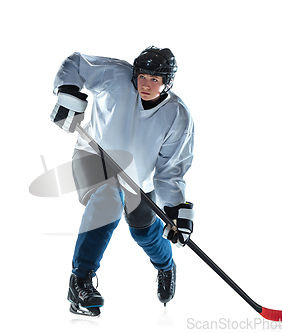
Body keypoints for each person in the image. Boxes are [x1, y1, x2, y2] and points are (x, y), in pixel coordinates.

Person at [51, 46, 195, 316]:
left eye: (155, 79)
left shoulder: (177, 115)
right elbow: (77, 63)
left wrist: (174, 211)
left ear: (167, 82)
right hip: (93, 158)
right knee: (108, 199)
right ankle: (80, 281)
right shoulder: (115, 76)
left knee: (144, 231)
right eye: (142, 76)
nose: (146, 84)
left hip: (139, 180)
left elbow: (170, 170)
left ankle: (166, 267)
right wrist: (67, 91)